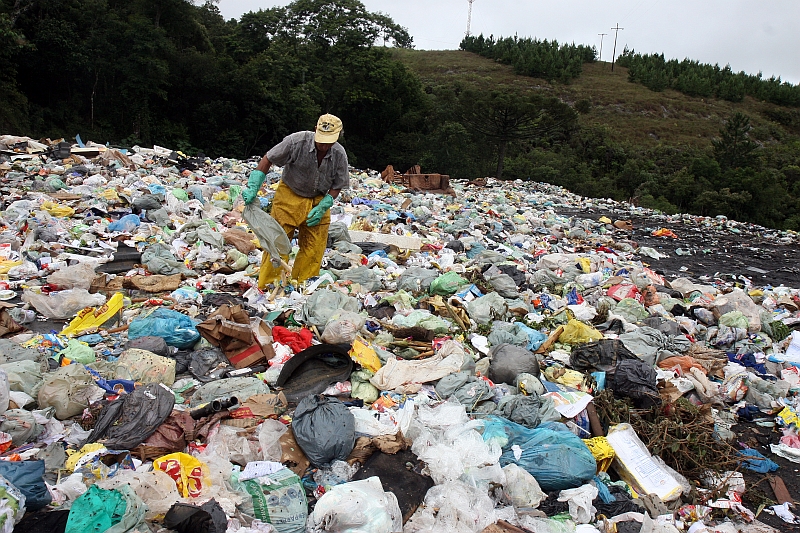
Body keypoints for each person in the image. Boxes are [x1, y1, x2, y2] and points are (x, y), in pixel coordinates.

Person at [242, 114, 349, 288]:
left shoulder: (339, 154)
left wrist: (325, 204)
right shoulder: (296, 142)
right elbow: (268, 158)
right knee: (276, 242)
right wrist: (254, 185)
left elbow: (338, 184)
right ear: (315, 130)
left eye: (329, 142)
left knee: (314, 248)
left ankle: (302, 284)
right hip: (290, 194)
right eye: (321, 140)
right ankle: (270, 285)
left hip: (318, 199)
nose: (323, 145)